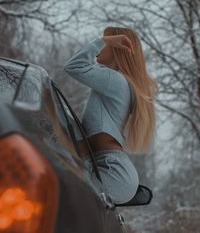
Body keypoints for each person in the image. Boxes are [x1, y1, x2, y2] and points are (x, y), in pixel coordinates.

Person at [64, 26, 158, 204]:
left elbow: (73, 67)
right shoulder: (120, 82)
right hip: (111, 169)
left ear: (116, 50)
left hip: (111, 170)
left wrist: (104, 41)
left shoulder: (115, 80)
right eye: (102, 41)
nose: (99, 47)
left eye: (105, 43)